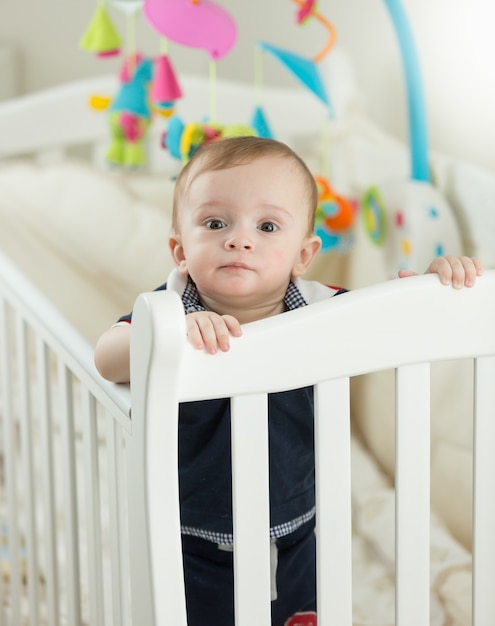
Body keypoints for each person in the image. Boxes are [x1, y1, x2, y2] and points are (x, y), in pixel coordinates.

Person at [94, 136, 483, 626]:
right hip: (190, 533)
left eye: (267, 225)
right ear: (180, 250)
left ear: (304, 254)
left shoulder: (323, 306)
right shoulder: (170, 310)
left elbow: (397, 321)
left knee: (295, 615)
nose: (240, 239)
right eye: (215, 223)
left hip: (294, 525)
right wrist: (169, 338)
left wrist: (436, 284)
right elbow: (107, 358)